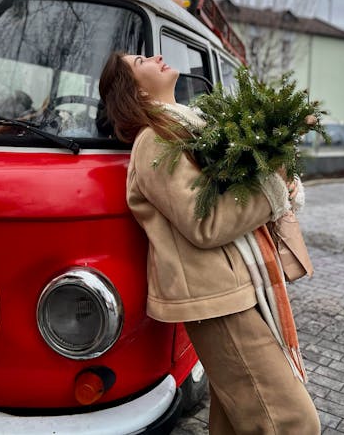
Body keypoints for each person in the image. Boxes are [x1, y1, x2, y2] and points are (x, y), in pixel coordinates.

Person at [99, 52, 321, 435]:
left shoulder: (191, 127)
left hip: (233, 289)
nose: (157, 56)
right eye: (141, 60)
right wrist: (272, 187)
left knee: (235, 421)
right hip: (217, 298)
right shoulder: (155, 141)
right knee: (292, 422)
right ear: (134, 88)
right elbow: (206, 223)